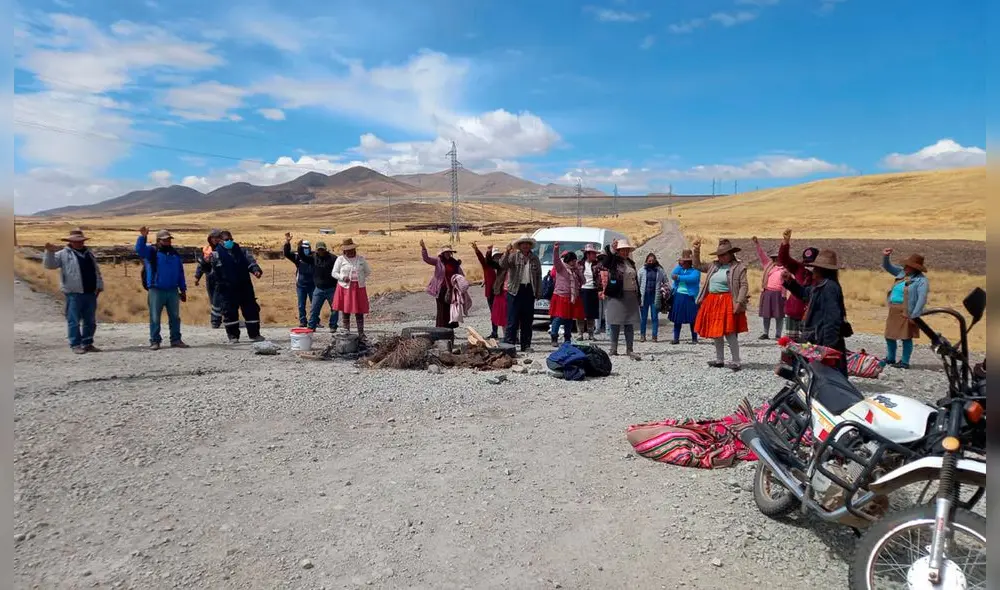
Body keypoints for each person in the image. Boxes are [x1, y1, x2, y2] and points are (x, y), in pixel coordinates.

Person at [783, 250, 848, 375]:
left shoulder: (829, 288)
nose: (813, 271)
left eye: (815, 268)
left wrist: (827, 349)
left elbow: (833, 319)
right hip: (817, 339)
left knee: (827, 377)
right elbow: (805, 294)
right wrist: (790, 282)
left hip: (823, 341)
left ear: (822, 270)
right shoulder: (821, 286)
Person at [43, 228, 104, 353]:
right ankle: (75, 344)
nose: (79, 243)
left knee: (90, 320)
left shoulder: (89, 253)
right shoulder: (63, 254)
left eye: (81, 240)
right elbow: (50, 265)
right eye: (76, 241)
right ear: (70, 241)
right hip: (73, 292)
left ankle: (87, 342)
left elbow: (96, 271)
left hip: (91, 292)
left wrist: (99, 285)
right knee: (74, 320)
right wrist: (49, 252)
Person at [692, 239, 749, 371]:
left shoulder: (739, 268)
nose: (720, 257)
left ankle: (736, 361)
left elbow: (744, 286)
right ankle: (720, 360)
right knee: (716, 332)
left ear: (730, 254)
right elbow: (697, 266)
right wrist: (696, 251)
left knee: (730, 332)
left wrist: (739, 302)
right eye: (719, 255)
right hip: (712, 301)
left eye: (723, 254)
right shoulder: (714, 265)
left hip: (727, 300)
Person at [135, 227, 189, 350]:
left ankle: (176, 339)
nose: (168, 242)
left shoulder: (175, 254)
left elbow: (180, 272)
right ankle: (155, 341)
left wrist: (183, 289)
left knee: (175, 317)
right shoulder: (151, 252)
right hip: (156, 290)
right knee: (155, 317)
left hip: (172, 290)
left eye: (169, 239)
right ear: (158, 240)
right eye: (165, 240)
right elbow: (139, 250)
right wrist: (143, 237)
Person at [210, 230, 264, 344]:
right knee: (230, 312)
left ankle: (254, 334)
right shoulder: (216, 254)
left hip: (244, 286)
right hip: (227, 288)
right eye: (226, 240)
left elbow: (250, 262)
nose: (229, 241)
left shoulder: (241, 251)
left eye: (231, 239)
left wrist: (256, 270)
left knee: (251, 310)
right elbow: (213, 272)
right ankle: (233, 336)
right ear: (220, 241)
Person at [882, 249, 929, 369]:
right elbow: (888, 267)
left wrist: (915, 315)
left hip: (907, 311)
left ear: (915, 268)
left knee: (906, 336)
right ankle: (890, 358)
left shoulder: (921, 281)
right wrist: (886, 257)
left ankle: (905, 362)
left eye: (909, 266)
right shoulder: (901, 273)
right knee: (889, 335)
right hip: (894, 309)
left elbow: (922, 299)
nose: (906, 267)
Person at [498, 234, 542, 352]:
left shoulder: (534, 258)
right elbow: (502, 265)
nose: (526, 246)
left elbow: (538, 276)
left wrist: (538, 291)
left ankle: (526, 345)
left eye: (528, 244)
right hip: (515, 291)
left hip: (529, 291)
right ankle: (509, 345)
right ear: (520, 245)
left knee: (527, 320)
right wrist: (506, 253)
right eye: (523, 244)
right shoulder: (513, 256)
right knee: (512, 319)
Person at [602, 238, 642, 359]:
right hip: (617, 295)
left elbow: (636, 280)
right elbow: (606, 263)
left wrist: (638, 296)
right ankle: (613, 348)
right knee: (615, 322)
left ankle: (629, 349)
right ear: (618, 251)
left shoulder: (631, 263)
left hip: (631, 296)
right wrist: (611, 249)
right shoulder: (614, 261)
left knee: (629, 324)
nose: (625, 252)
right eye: (622, 250)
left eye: (626, 250)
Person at [777, 229, 819, 342]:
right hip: (793, 312)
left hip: (810, 316)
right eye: (806, 262)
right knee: (790, 346)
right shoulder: (799, 268)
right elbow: (783, 259)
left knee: (808, 346)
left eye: (811, 262)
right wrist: (785, 243)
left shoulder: (821, 274)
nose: (808, 265)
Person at [331, 238, 372, 338]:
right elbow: (334, 273)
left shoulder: (361, 259)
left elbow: (367, 272)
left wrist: (359, 278)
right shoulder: (340, 259)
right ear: (344, 250)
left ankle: (361, 333)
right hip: (345, 288)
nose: (349, 252)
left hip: (359, 287)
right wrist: (342, 277)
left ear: (354, 249)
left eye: (351, 249)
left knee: (359, 310)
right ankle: (346, 331)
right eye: (347, 250)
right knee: (346, 309)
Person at [421, 240, 464, 328]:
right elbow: (427, 259)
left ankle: (450, 330)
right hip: (441, 289)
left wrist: (461, 284)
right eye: (446, 252)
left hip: (452, 289)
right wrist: (423, 248)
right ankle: (441, 330)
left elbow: (460, 274)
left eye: (449, 252)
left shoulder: (454, 262)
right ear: (443, 253)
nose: (448, 254)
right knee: (441, 309)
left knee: (451, 309)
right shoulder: (438, 261)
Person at [548, 243, 585, 346]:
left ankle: (567, 338)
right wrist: (556, 250)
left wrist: (579, 272)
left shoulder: (575, 271)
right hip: (561, 296)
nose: (574, 262)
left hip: (572, 297)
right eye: (573, 260)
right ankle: (554, 337)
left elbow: (583, 281)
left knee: (569, 318)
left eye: (575, 260)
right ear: (568, 260)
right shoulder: (561, 268)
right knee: (559, 317)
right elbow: (556, 260)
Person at [751, 236, 786, 340]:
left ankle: (778, 334)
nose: (777, 259)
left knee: (779, 315)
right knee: (766, 314)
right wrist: (757, 244)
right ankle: (765, 333)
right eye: (775, 258)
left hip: (780, 293)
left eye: (779, 257)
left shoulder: (785, 268)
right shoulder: (768, 265)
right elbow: (761, 255)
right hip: (768, 292)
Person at [301, 241, 340, 333]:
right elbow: (303, 257)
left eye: (322, 249)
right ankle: (311, 326)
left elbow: (339, 268)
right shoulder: (313, 258)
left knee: (335, 309)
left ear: (325, 249)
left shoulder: (333, 258)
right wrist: (300, 248)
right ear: (316, 250)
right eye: (319, 250)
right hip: (318, 289)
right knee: (314, 309)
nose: (321, 251)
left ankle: (333, 326)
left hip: (332, 289)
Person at [283, 233, 315, 328]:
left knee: (315, 304)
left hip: (313, 284)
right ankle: (303, 321)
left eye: (307, 247)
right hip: (301, 285)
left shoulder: (314, 257)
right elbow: (287, 254)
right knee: (301, 305)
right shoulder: (297, 257)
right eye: (303, 247)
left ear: (310, 248)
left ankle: (315, 321)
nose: (305, 249)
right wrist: (287, 242)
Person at [668, 249, 700, 345]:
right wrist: (679, 265)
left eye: (686, 261)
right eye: (683, 261)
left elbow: (693, 279)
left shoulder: (695, 270)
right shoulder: (680, 269)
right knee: (677, 318)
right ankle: (676, 338)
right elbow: (672, 274)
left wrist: (679, 277)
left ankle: (694, 338)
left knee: (692, 318)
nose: (684, 263)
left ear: (690, 262)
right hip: (678, 295)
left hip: (689, 296)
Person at [472, 242, 503, 339]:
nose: (497, 258)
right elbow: (482, 258)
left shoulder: (501, 267)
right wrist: (477, 250)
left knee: (502, 312)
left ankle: (507, 333)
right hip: (491, 293)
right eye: (495, 256)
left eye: (498, 256)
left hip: (500, 293)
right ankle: (494, 332)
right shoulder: (487, 266)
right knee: (493, 312)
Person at [194, 229, 223, 328]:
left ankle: (215, 322)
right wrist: (197, 277)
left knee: (216, 300)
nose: (215, 240)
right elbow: (201, 265)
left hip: (221, 279)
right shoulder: (206, 250)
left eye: (217, 237)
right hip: (209, 278)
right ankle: (222, 317)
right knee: (213, 300)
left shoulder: (223, 249)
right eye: (213, 238)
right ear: (210, 239)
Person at [638, 252, 668, 342]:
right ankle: (642, 335)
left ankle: (654, 336)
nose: (651, 262)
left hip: (655, 297)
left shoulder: (660, 270)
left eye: (652, 260)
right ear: (646, 261)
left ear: (655, 261)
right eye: (649, 260)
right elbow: (638, 283)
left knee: (655, 317)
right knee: (643, 317)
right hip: (644, 296)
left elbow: (666, 281)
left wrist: (664, 290)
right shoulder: (641, 270)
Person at [579, 244, 602, 340]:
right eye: (593, 253)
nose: (595, 255)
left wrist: (600, 290)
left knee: (591, 314)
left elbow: (600, 278)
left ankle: (591, 333)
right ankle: (580, 333)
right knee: (580, 313)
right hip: (582, 290)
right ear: (587, 254)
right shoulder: (579, 264)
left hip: (593, 289)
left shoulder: (597, 265)